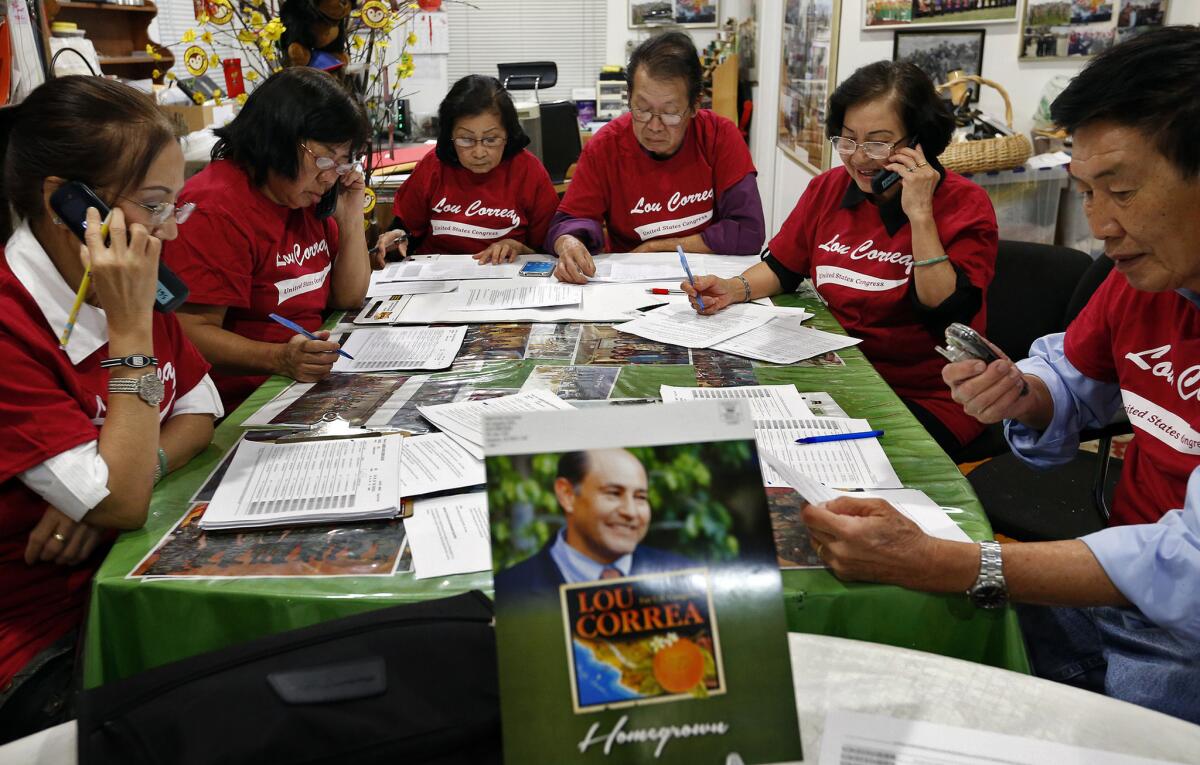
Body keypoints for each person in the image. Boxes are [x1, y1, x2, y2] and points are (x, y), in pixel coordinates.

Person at [800, 27, 1200, 724]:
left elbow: (1187, 567)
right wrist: (1028, 392)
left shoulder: (960, 208)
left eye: (1123, 191)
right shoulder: (1144, 279)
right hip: (1115, 589)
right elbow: (1073, 373)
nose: (1099, 225)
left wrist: (965, 563)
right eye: (1087, 191)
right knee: (919, 664)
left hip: (1179, 634)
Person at [0, 76, 220, 742]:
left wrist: (130, 469)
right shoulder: (18, 319)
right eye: (156, 204)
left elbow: (200, 410)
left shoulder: (124, 281)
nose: (171, 229)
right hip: (38, 640)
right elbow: (121, 501)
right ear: (68, 202)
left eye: (174, 203)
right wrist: (130, 333)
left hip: (123, 582)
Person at [682, 61, 998, 457]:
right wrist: (733, 288)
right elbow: (782, 267)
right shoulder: (828, 189)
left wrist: (920, 213)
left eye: (878, 143)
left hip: (926, 397)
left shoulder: (965, 205)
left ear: (921, 142)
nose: (860, 158)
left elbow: (944, 310)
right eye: (848, 140)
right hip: (838, 378)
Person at [163, 67, 372, 413]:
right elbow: (187, 332)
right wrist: (279, 358)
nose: (329, 176)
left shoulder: (302, 196)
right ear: (277, 139)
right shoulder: (216, 208)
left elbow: (349, 296)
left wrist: (350, 216)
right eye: (323, 158)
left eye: (342, 162)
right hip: (240, 404)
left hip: (301, 384)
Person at [548, 32, 765, 284]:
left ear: (696, 105)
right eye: (642, 109)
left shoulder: (720, 137)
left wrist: (658, 247)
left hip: (710, 280)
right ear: (628, 97)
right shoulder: (606, 146)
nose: (654, 126)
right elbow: (571, 219)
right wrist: (569, 242)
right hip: (631, 282)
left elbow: (748, 231)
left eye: (671, 113)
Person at [372, 75, 559, 266]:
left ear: (508, 134)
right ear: (449, 135)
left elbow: (549, 249)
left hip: (505, 281)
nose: (479, 153)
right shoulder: (433, 166)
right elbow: (407, 232)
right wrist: (397, 238)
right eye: (466, 140)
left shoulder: (528, 171)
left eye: (491, 140)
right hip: (436, 280)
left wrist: (519, 249)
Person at [496, 449, 693, 595]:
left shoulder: (685, 576)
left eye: (640, 497)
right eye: (613, 494)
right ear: (568, 495)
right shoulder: (508, 591)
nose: (631, 512)